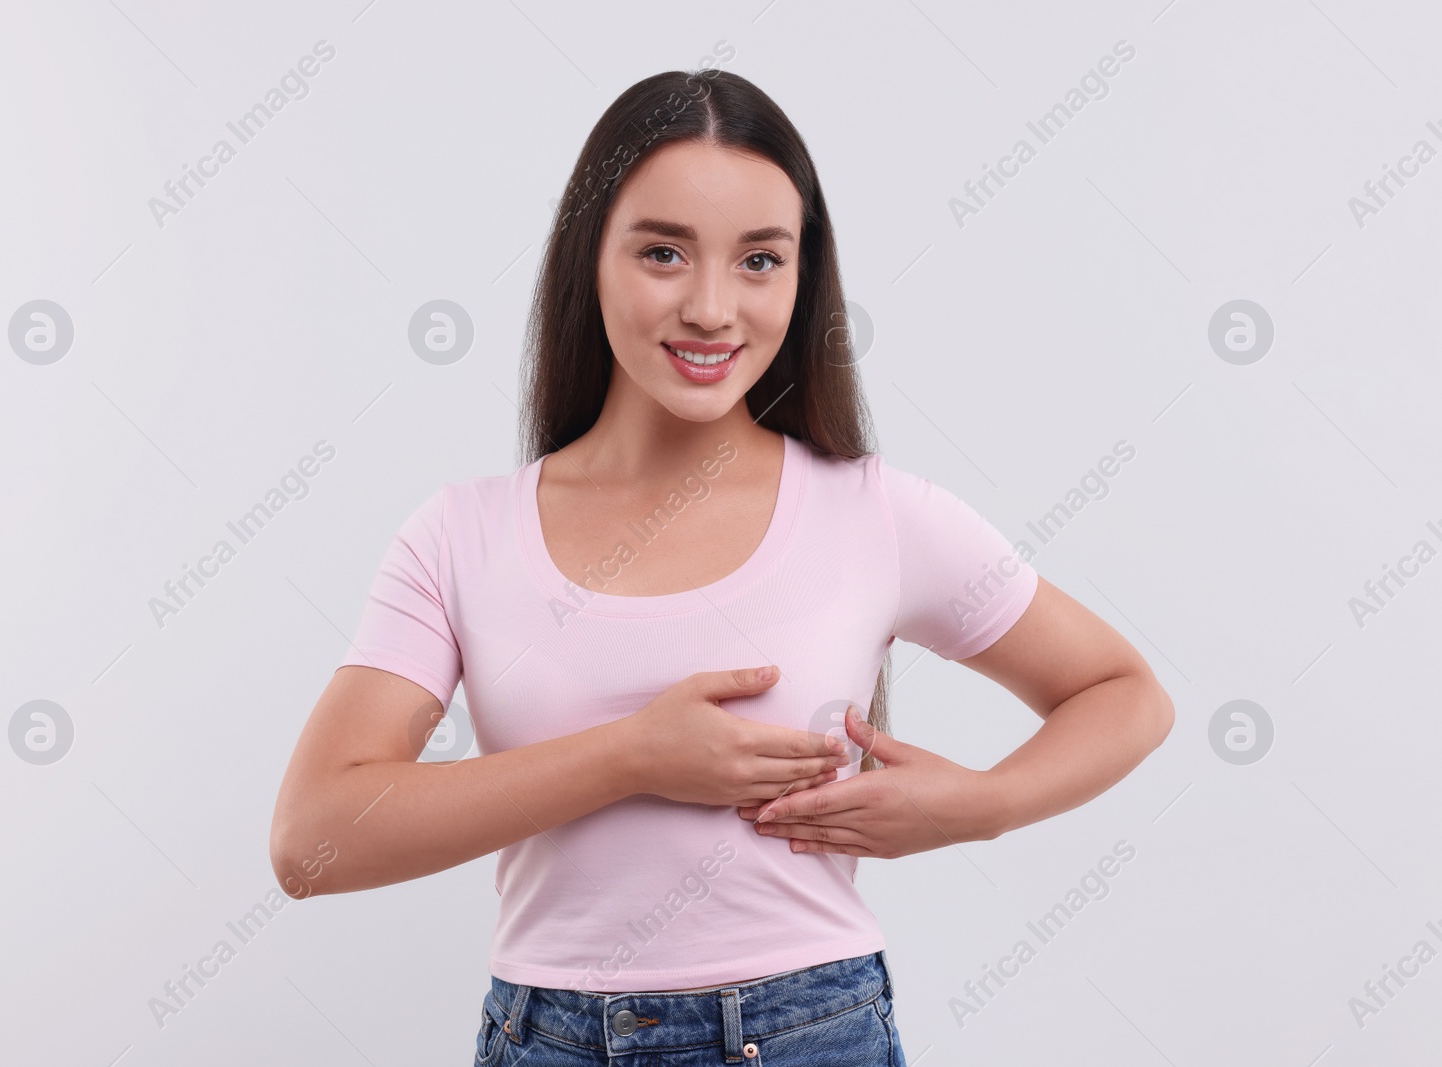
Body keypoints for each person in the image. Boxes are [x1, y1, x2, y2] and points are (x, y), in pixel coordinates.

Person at [269, 67, 1174, 1066]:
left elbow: (1123, 690)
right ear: (591, 258)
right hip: (547, 1037)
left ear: (801, 274)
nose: (711, 307)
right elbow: (314, 837)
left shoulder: (871, 510)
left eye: (758, 260)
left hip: (806, 1032)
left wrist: (986, 803)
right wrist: (631, 756)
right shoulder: (460, 535)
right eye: (662, 251)